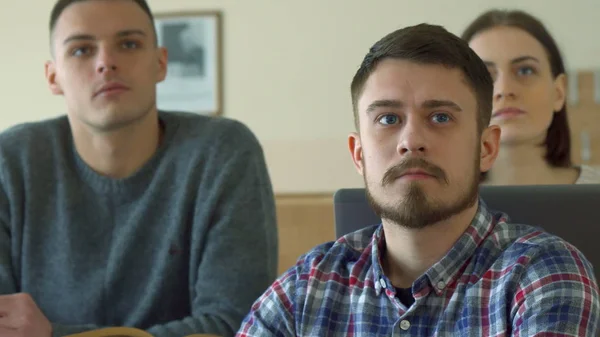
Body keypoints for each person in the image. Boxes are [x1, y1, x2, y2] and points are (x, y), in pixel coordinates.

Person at [236, 23, 599, 336]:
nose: (411, 142)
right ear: (359, 155)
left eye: (440, 117)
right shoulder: (307, 284)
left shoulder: (542, 272)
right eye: (388, 119)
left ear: (486, 148)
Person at [0, 0, 278, 336]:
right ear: (52, 76)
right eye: (81, 50)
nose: (106, 63)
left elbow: (235, 326)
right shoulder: (10, 161)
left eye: (128, 44)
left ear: (160, 63)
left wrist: (54, 335)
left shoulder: (224, 152)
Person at [462, 9, 600, 185]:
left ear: (559, 92)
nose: (504, 90)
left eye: (525, 70)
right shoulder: (433, 206)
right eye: (484, 75)